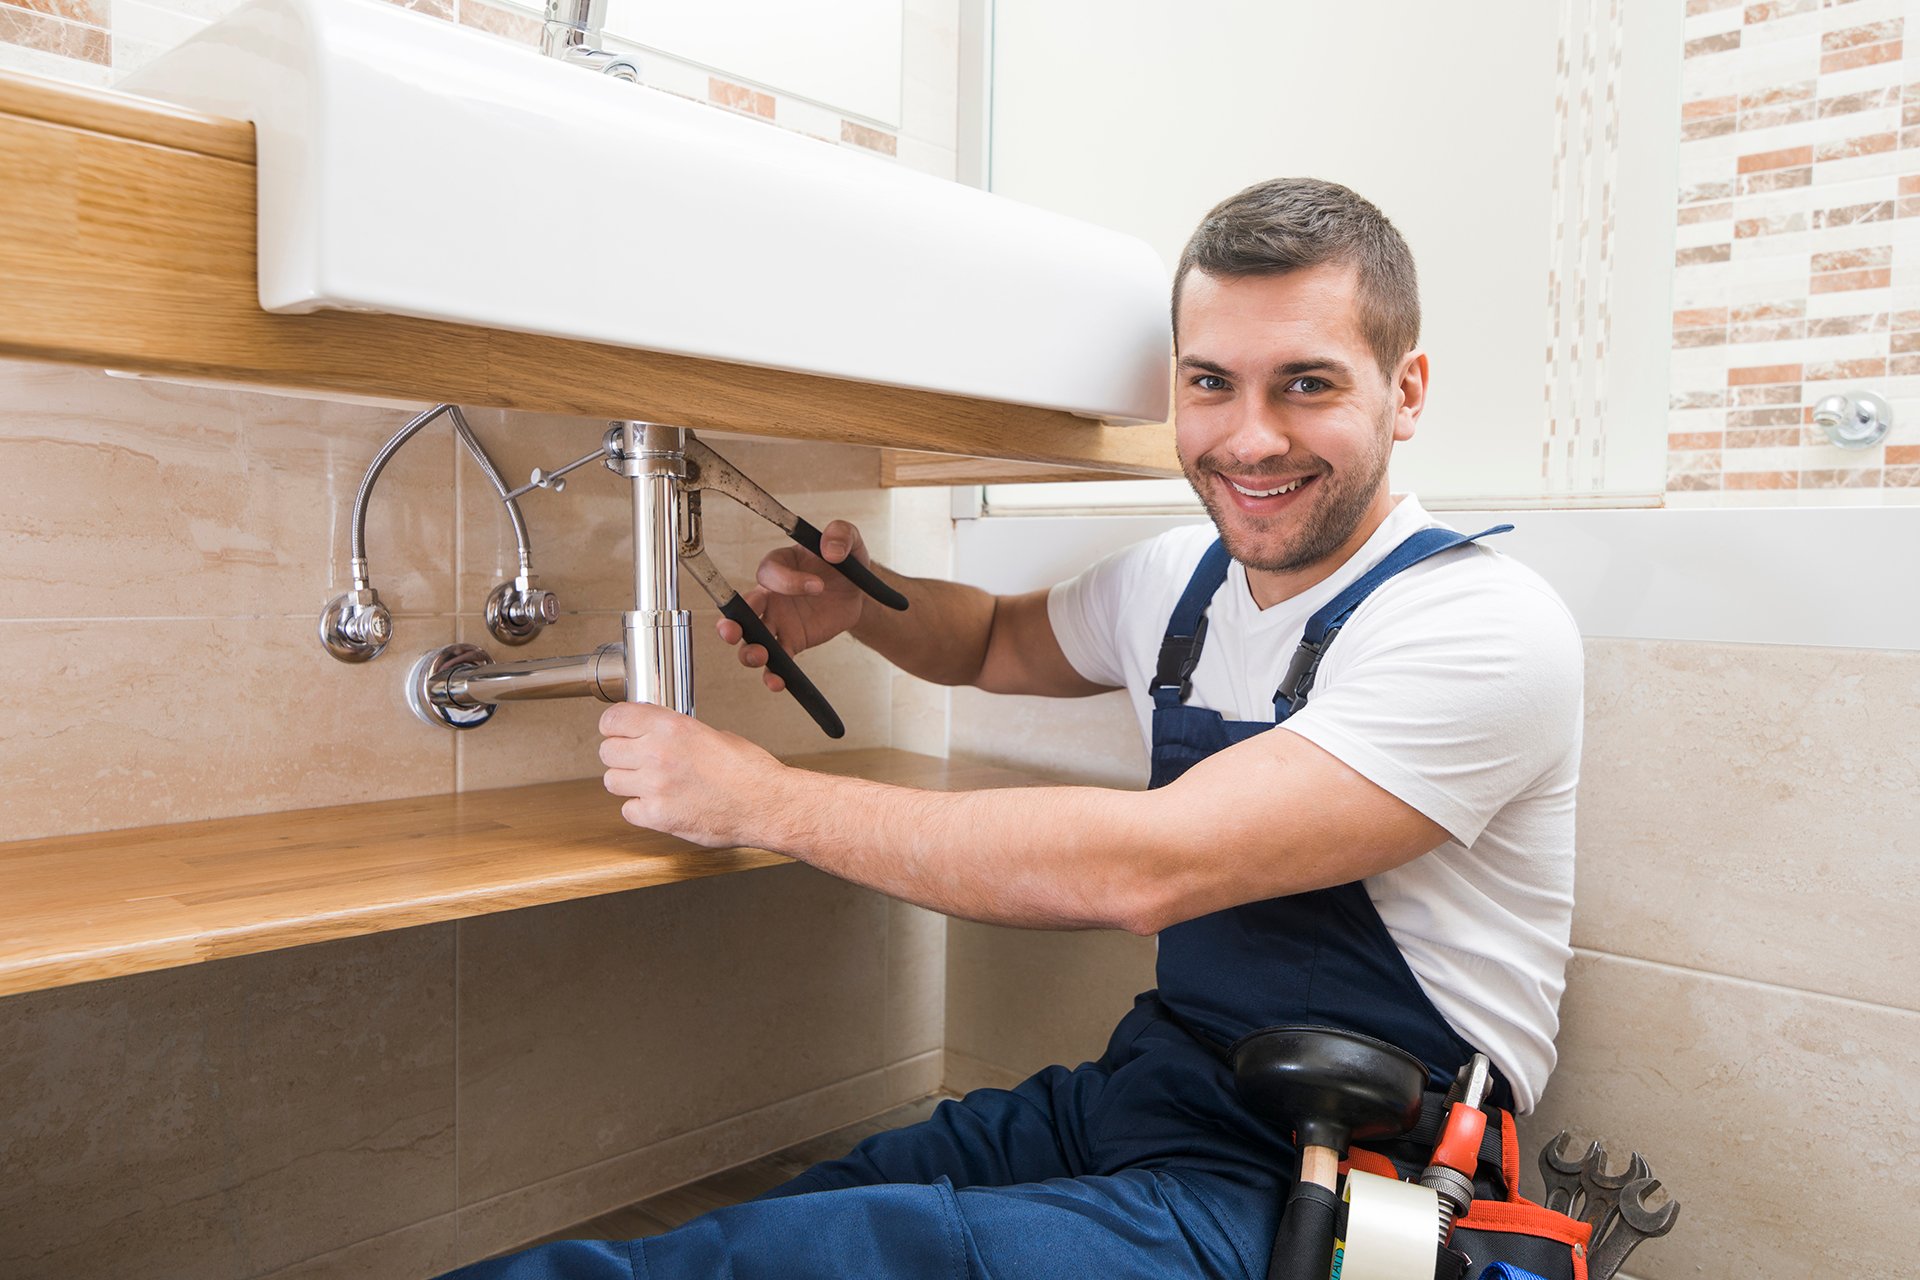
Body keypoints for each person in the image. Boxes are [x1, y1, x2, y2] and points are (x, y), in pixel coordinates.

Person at [443, 177, 1583, 1280]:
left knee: (784, 1264)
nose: (1249, 438)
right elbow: (992, 638)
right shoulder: (1181, 581)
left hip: (1337, 1183)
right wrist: (865, 603)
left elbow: (1149, 865)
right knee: (767, 1226)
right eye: (1211, 382)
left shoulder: (1481, 626)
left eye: (1306, 384)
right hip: (1149, 1091)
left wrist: (759, 798)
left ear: (1406, 391)